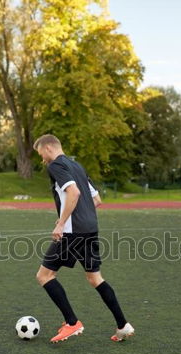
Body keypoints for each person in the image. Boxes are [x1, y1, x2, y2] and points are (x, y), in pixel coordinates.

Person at [33, 134, 135, 343]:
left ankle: (72, 322)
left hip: (72, 232)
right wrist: (72, 215)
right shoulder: (77, 166)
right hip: (90, 228)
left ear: (49, 148)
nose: (42, 159)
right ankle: (122, 325)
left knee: (44, 276)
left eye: (41, 153)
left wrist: (62, 222)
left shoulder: (56, 166)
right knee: (95, 278)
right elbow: (96, 199)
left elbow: (74, 193)